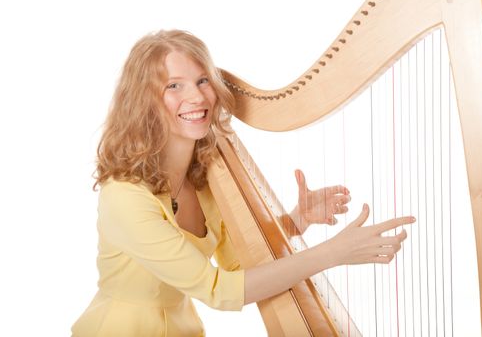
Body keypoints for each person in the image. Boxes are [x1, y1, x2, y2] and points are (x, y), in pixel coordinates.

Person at [71, 29, 415, 336]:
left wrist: (296, 221)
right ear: (143, 100)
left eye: (203, 80)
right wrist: (334, 252)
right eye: (174, 85)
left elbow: (238, 262)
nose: (197, 97)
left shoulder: (205, 178)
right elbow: (218, 289)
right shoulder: (124, 196)